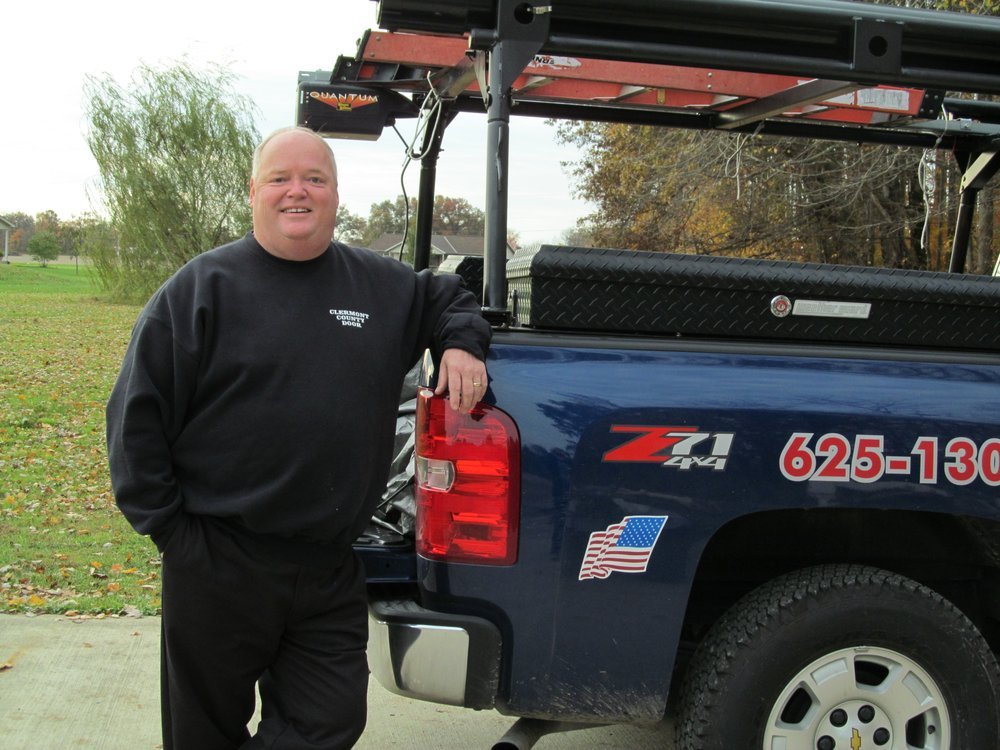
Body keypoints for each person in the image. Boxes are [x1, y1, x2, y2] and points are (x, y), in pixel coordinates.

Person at [106, 126, 491, 750]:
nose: (298, 192)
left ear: (336, 195)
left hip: (327, 564)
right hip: (218, 559)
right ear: (253, 192)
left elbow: (449, 297)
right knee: (202, 733)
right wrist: (172, 533)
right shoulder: (201, 290)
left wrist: (460, 344)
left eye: (315, 179)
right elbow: (136, 415)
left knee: (330, 720)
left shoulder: (380, 287)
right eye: (280, 178)